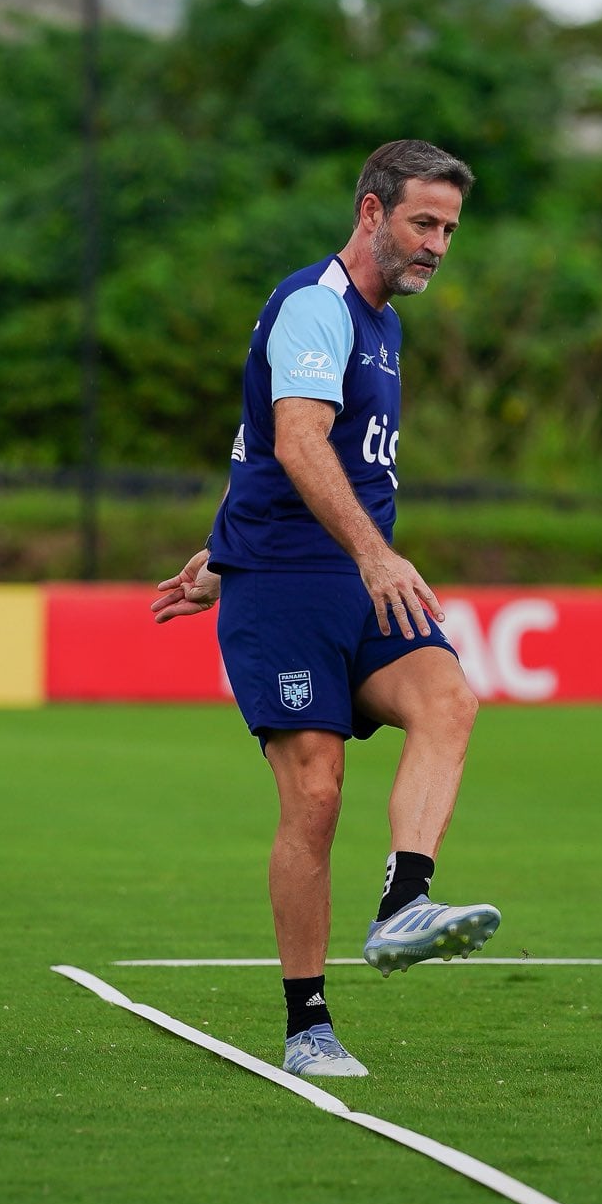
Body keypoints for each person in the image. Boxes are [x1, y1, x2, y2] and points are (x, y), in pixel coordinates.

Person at [150, 139, 501, 1079]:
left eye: (450, 230)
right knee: (315, 795)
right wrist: (332, 554)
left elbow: (254, 441)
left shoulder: (385, 323)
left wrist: (221, 549)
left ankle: (404, 909)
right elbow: (299, 442)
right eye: (423, 223)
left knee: (449, 701)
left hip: (346, 576)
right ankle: (308, 1026)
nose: (437, 245)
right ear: (371, 212)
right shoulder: (318, 305)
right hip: (295, 586)